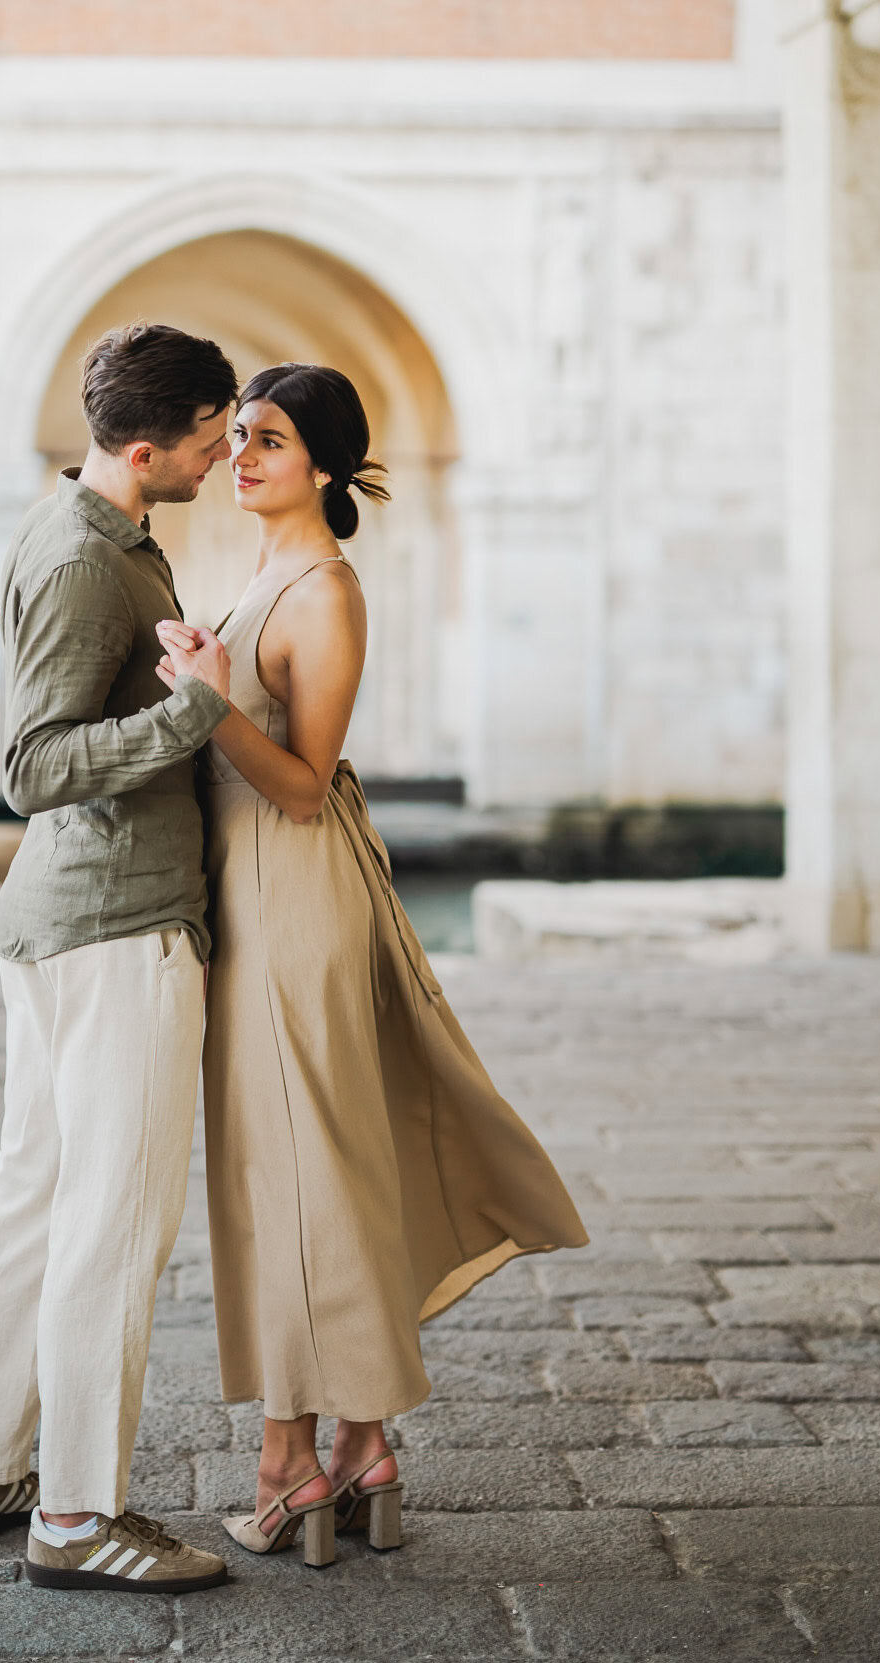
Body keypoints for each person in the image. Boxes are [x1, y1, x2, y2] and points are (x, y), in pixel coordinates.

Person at [156, 362, 588, 1566]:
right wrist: (206, 665)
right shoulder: (268, 575)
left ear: (326, 465)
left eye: (270, 440)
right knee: (306, 1171)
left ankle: (289, 1464)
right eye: (240, 436)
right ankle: (357, 1445)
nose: (241, 457)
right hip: (257, 899)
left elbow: (300, 787)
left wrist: (205, 701)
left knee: (297, 1177)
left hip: (292, 902)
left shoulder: (326, 591)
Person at [0, 321, 240, 1595]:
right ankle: (74, 1518)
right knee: (112, 1222)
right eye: (210, 439)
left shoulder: (95, 532)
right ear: (146, 448)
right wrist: (195, 709)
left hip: (70, 923)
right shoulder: (81, 560)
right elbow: (34, 765)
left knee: (36, 1197)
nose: (221, 456)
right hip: (115, 929)